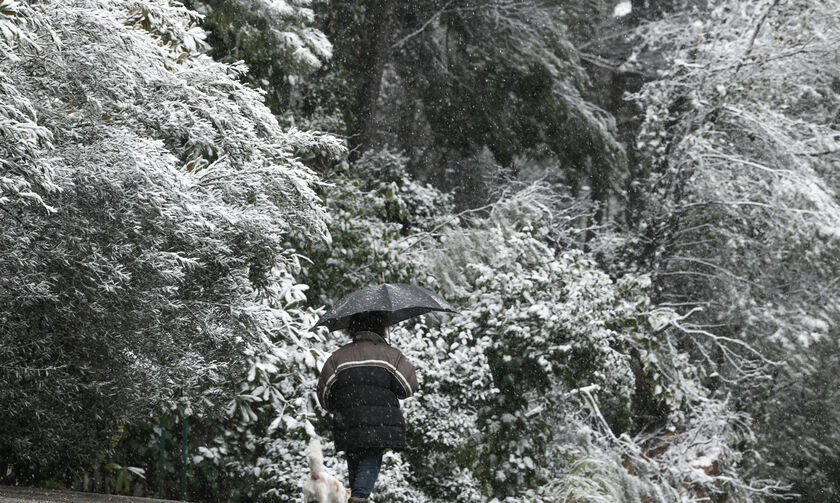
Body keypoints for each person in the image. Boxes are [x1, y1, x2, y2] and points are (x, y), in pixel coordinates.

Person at [316, 312, 419, 503]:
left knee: (356, 463)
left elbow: (324, 396)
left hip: (348, 423)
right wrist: (393, 360)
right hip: (379, 424)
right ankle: (358, 497)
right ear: (381, 327)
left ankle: (357, 496)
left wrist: (340, 406)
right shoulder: (390, 355)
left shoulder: (337, 358)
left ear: (351, 328)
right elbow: (407, 387)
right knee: (370, 459)